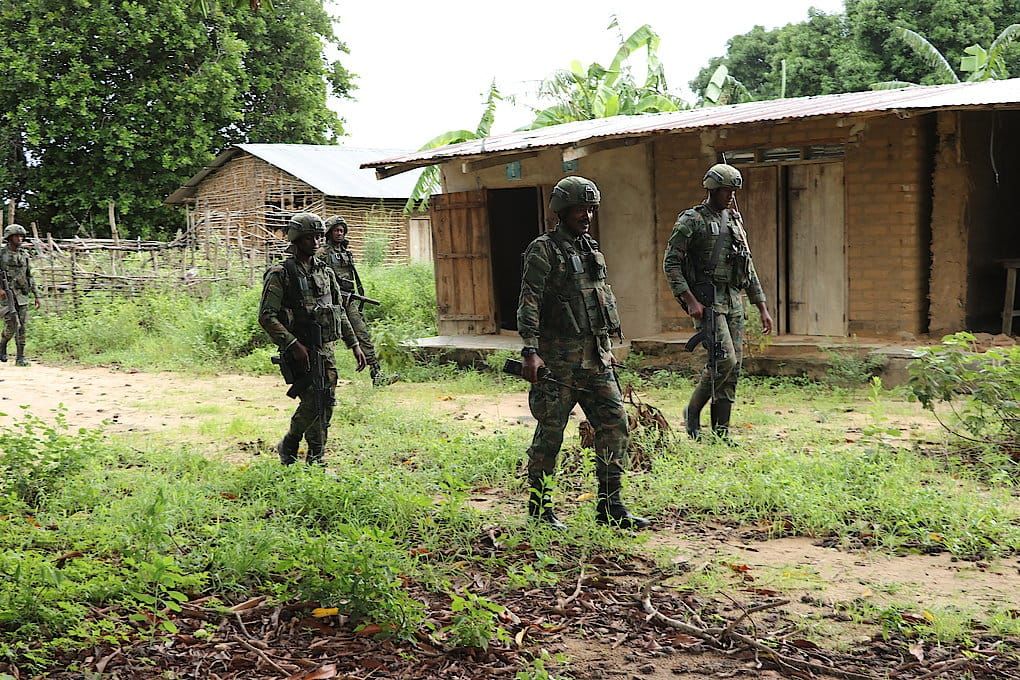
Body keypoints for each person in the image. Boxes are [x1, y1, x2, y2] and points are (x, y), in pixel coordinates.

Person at [517, 176, 649, 531]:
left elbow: (597, 302)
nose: (586, 215)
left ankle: (610, 506)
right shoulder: (543, 249)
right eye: (579, 208)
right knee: (551, 434)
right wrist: (530, 350)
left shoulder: (589, 249)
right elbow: (529, 299)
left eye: (590, 208)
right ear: (562, 211)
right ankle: (540, 510)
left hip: (594, 360)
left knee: (615, 424)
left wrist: (606, 349)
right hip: (557, 363)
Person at [662, 163, 773, 440]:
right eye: (725, 191)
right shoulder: (692, 221)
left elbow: (747, 266)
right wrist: (690, 301)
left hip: (733, 299)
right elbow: (671, 263)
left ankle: (721, 432)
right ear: (711, 189)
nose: (730, 197)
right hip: (707, 300)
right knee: (724, 360)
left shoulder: (734, 220)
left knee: (733, 367)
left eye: (733, 192)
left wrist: (761, 306)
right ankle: (692, 411)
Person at [259, 212, 367, 465]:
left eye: (319, 236)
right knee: (313, 400)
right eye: (310, 237)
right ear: (297, 239)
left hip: (324, 347)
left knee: (325, 402)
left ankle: (312, 454)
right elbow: (266, 316)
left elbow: (338, 311)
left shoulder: (325, 272)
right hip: (300, 349)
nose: (317, 242)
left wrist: (354, 345)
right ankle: (293, 444)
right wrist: (292, 344)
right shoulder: (280, 273)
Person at [317, 215, 395, 386]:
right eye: (336, 230)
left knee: (362, 334)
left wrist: (352, 295)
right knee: (326, 340)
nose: (339, 233)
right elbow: (317, 279)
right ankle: (321, 377)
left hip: (349, 300)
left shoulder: (346, 253)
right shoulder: (322, 254)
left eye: (342, 230)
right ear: (329, 233)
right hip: (330, 303)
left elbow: (352, 278)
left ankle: (377, 374)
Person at [0, 224, 40, 366]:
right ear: (9, 238)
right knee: (11, 326)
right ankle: (2, 345)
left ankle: (20, 357)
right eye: (17, 236)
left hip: (22, 295)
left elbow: (30, 276)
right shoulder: (1, 254)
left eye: (21, 236)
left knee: (22, 326)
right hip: (6, 296)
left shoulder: (24, 255)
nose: (20, 238)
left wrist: (36, 295)